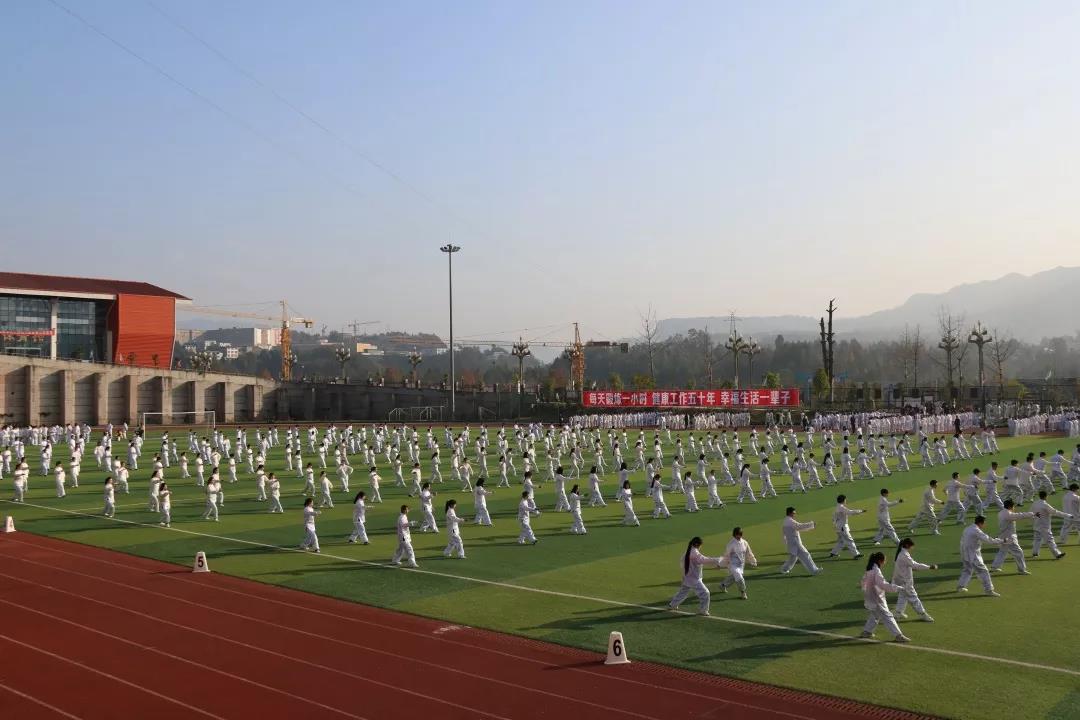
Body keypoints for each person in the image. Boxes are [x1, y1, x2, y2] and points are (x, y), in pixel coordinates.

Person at [858, 552, 910, 643]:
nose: (885, 562)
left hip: (871, 596)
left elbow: (863, 582)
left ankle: (866, 632)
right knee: (887, 615)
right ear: (880, 561)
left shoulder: (870, 569)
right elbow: (883, 584)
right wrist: (899, 588)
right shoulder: (876, 571)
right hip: (877, 598)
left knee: (875, 614)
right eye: (884, 560)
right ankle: (898, 635)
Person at [667, 537, 726, 616]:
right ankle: (703, 610)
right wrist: (718, 560)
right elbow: (704, 560)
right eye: (701, 545)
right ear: (697, 544)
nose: (701, 546)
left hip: (687, 577)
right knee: (706, 593)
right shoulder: (694, 553)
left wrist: (685, 574)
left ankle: (672, 605)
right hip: (694, 579)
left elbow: (682, 562)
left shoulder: (688, 552)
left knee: (683, 592)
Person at [892, 538, 936, 622]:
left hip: (900, 580)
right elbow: (915, 565)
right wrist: (930, 567)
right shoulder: (904, 555)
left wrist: (913, 567)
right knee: (914, 598)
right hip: (904, 581)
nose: (913, 548)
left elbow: (910, 566)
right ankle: (923, 614)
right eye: (912, 546)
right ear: (908, 545)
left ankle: (898, 612)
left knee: (903, 595)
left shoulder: (902, 553)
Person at [958, 515, 1002, 596]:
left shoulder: (968, 528)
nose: (985, 525)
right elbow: (989, 540)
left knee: (967, 569)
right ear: (981, 523)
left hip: (964, 553)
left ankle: (961, 586)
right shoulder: (976, 530)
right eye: (984, 523)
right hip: (973, 554)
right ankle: (989, 590)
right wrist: (1002, 541)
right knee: (983, 571)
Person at [990, 499, 1036, 574]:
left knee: (1002, 551)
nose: (1014, 508)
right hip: (1009, 537)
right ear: (1010, 506)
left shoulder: (1001, 513)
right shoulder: (1008, 514)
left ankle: (995, 567)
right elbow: (1020, 515)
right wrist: (1032, 514)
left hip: (1003, 535)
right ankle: (1022, 570)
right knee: (1019, 552)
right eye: (1013, 506)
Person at [718, 527, 757, 599]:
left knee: (734, 577)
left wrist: (753, 561)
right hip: (733, 564)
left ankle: (722, 585)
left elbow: (749, 552)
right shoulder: (731, 544)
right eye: (737, 535)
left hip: (741, 564)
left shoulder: (745, 542)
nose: (739, 536)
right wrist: (720, 564)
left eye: (740, 534)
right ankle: (743, 592)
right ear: (734, 535)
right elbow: (726, 555)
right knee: (739, 576)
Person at [780, 507, 821, 575]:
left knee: (793, 558)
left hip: (791, 542)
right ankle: (814, 570)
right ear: (790, 513)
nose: (795, 515)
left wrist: (785, 540)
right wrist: (812, 524)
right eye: (794, 513)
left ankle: (784, 569)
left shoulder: (786, 521)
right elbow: (800, 526)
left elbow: (787, 532)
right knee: (806, 554)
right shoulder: (790, 521)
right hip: (796, 542)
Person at [1030, 490, 1070, 559]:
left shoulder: (1035, 503)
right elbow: (1055, 512)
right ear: (1046, 496)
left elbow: (1031, 513)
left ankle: (1035, 553)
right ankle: (1057, 554)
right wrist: (1067, 515)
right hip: (1044, 525)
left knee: (1037, 539)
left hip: (1036, 524)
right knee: (1050, 540)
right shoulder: (1045, 505)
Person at [828, 494, 865, 559]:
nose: (846, 500)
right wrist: (860, 511)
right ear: (843, 500)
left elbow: (833, 518)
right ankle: (856, 554)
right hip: (842, 527)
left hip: (838, 527)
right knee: (849, 540)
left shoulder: (837, 507)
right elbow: (850, 512)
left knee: (841, 541)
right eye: (845, 499)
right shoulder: (841, 507)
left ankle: (833, 553)